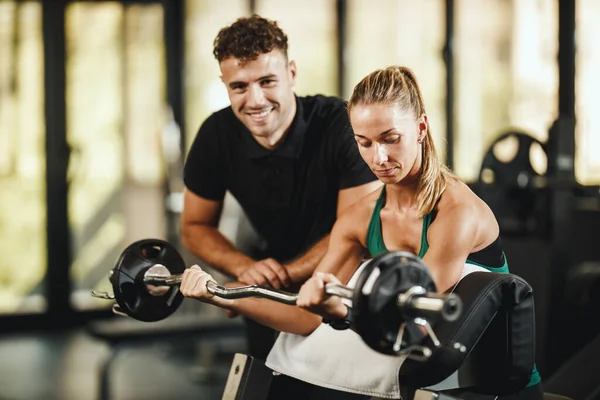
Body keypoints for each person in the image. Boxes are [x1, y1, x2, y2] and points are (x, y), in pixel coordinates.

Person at [180, 65, 543, 399]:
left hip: (493, 387)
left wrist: (339, 312)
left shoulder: (457, 211)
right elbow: (305, 316)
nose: (379, 158)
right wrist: (222, 294)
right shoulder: (359, 218)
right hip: (422, 387)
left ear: (420, 129)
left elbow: (417, 317)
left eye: (390, 138)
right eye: (364, 143)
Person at [180, 14, 380, 361]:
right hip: (269, 283)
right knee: (272, 380)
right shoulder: (216, 135)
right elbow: (194, 226)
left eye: (267, 81)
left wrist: (273, 277)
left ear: (291, 73)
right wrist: (245, 268)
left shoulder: (340, 126)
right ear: (225, 84)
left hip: (347, 281)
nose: (255, 100)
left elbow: (357, 233)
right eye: (239, 87)